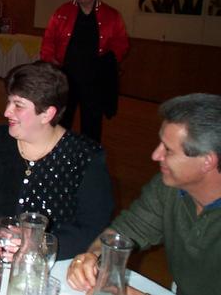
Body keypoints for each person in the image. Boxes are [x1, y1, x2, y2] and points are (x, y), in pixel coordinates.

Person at [0, 61, 113, 260]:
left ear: (47, 114)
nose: (7, 112)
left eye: (18, 105)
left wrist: (40, 244)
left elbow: (94, 227)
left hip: (47, 267)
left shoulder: (84, 156)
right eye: (9, 102)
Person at [66, 93, 221, 295]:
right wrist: (93, 256)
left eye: (168, 150)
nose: (156, 155)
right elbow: (127, 230)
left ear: (207, 161)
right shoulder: (169, 187)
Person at [40, 0, 129, 143]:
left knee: (92, 122)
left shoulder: (111, 15)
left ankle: (90, 153)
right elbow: (49, 39)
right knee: (62, 119)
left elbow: (121, 43)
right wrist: (49, 60)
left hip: (94, 80)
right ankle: (58, 149)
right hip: (66, 77)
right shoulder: (62, 12)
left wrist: (108, 63)